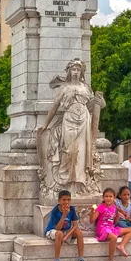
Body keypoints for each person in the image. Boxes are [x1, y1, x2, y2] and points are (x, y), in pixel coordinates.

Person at [37, 58, 105, 197]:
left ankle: (80, 186)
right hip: (69, 120)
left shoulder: (86, 88)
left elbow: (92, 106)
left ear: (82, 72)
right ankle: (64, 184)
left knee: (82, 154)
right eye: (73, 69)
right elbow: (55, 106)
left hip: (84, 120)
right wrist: (46, 124)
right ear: (69, 71)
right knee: (69, 152)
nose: (75, 72)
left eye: (78, 70)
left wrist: (101, 103)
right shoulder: (64, 88)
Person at [45, 190, 90, 261]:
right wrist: (64, 215)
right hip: (53, 230)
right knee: (60, 234)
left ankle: (81, 259)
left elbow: (75, 225)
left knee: (79, 233)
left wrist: (67, 236)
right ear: (59, 201)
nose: (66, 202)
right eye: (64, 200)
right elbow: (58, 228)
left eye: (68, 200)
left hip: (66, 231)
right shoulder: (55, 210)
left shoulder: (72, 209)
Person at [90, 187, 131, 261]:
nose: (108, 198)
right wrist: (92, 211)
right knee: (114, 237)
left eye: (110, 196)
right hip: (102, 229)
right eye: (106, 196)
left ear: (114, 198)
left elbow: (114, 222)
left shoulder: (114, 207)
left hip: (111, 228)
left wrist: (117, 216)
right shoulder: (101, 207)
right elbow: (92, 220)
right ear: (103, 198)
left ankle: (121, 245)